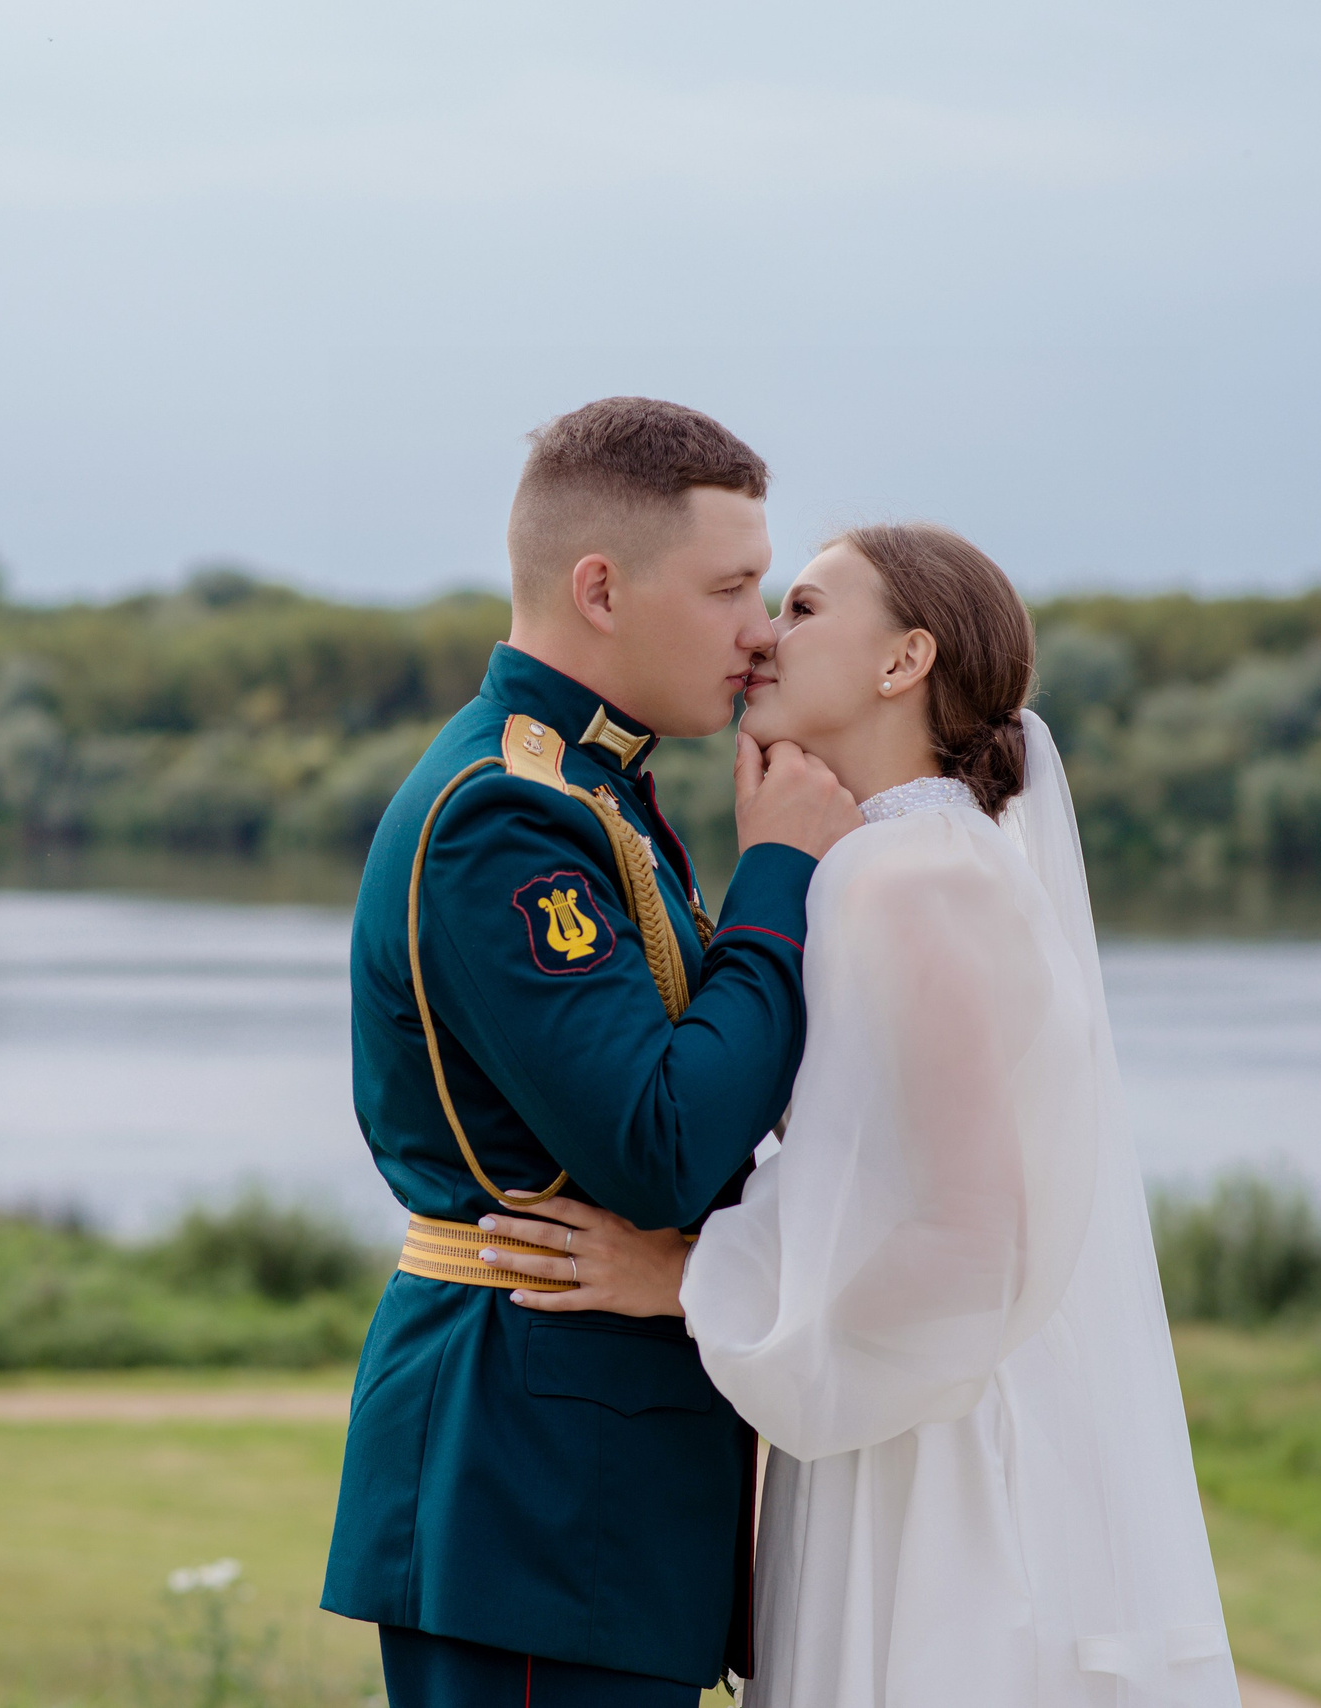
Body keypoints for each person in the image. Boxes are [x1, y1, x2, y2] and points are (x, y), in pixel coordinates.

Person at [478, 524, 1243, 1707]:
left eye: (804, 608)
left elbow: (968, 1232)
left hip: (923, 1461)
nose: (761, 639)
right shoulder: (910, 859)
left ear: (904, 663)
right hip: (884, 1404)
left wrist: (686, 1275)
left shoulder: (910, 879)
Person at [320, 397, 864, 1706]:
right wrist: (780, 875)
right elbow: (663, 1143)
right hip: (531, 1484)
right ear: (601, 587)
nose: (758, 626)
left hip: (583, 1487)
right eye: (733, 585)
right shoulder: (506, 814)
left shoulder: (591, 786)